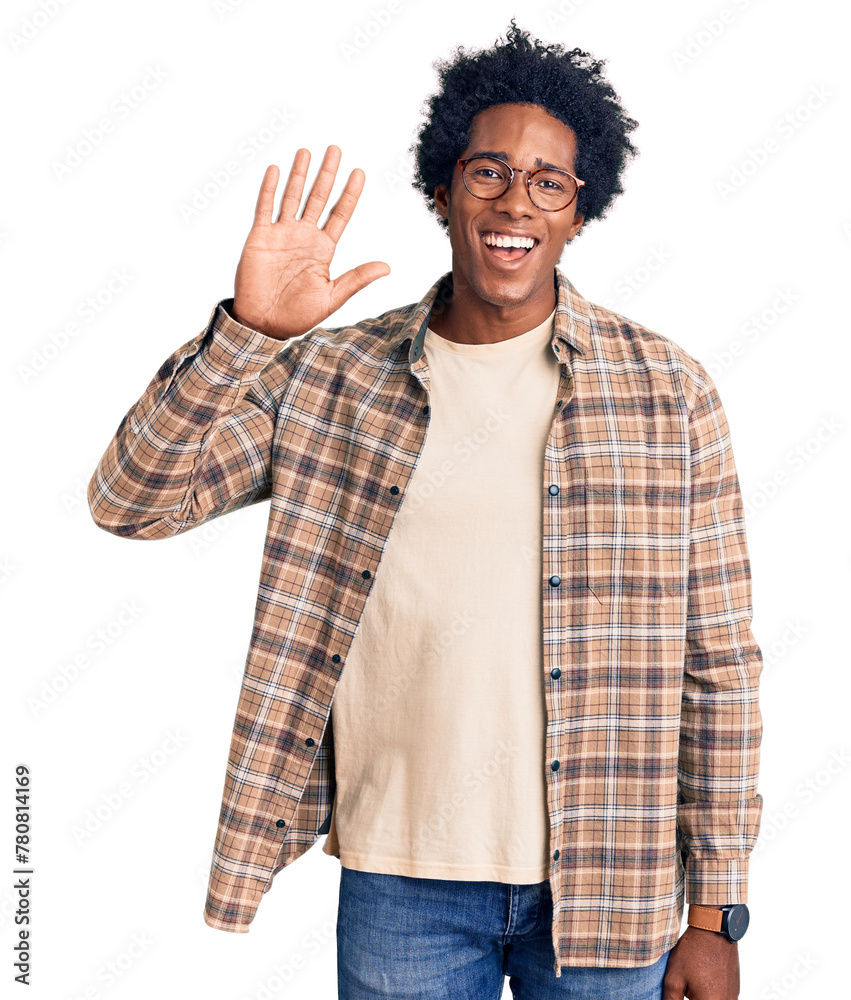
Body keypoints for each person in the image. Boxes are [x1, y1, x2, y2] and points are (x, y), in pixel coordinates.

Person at [87, 20, 763, 1000]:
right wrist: (243, 337)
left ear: (579, 212)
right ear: (441, 189)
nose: (513, 202)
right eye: (487, 171)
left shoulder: (667, 391)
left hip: (611, 885)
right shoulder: (332, 379)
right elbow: (130, 502)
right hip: (400, 879)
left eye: (547, 182)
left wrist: (715, 914)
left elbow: (718, 668)